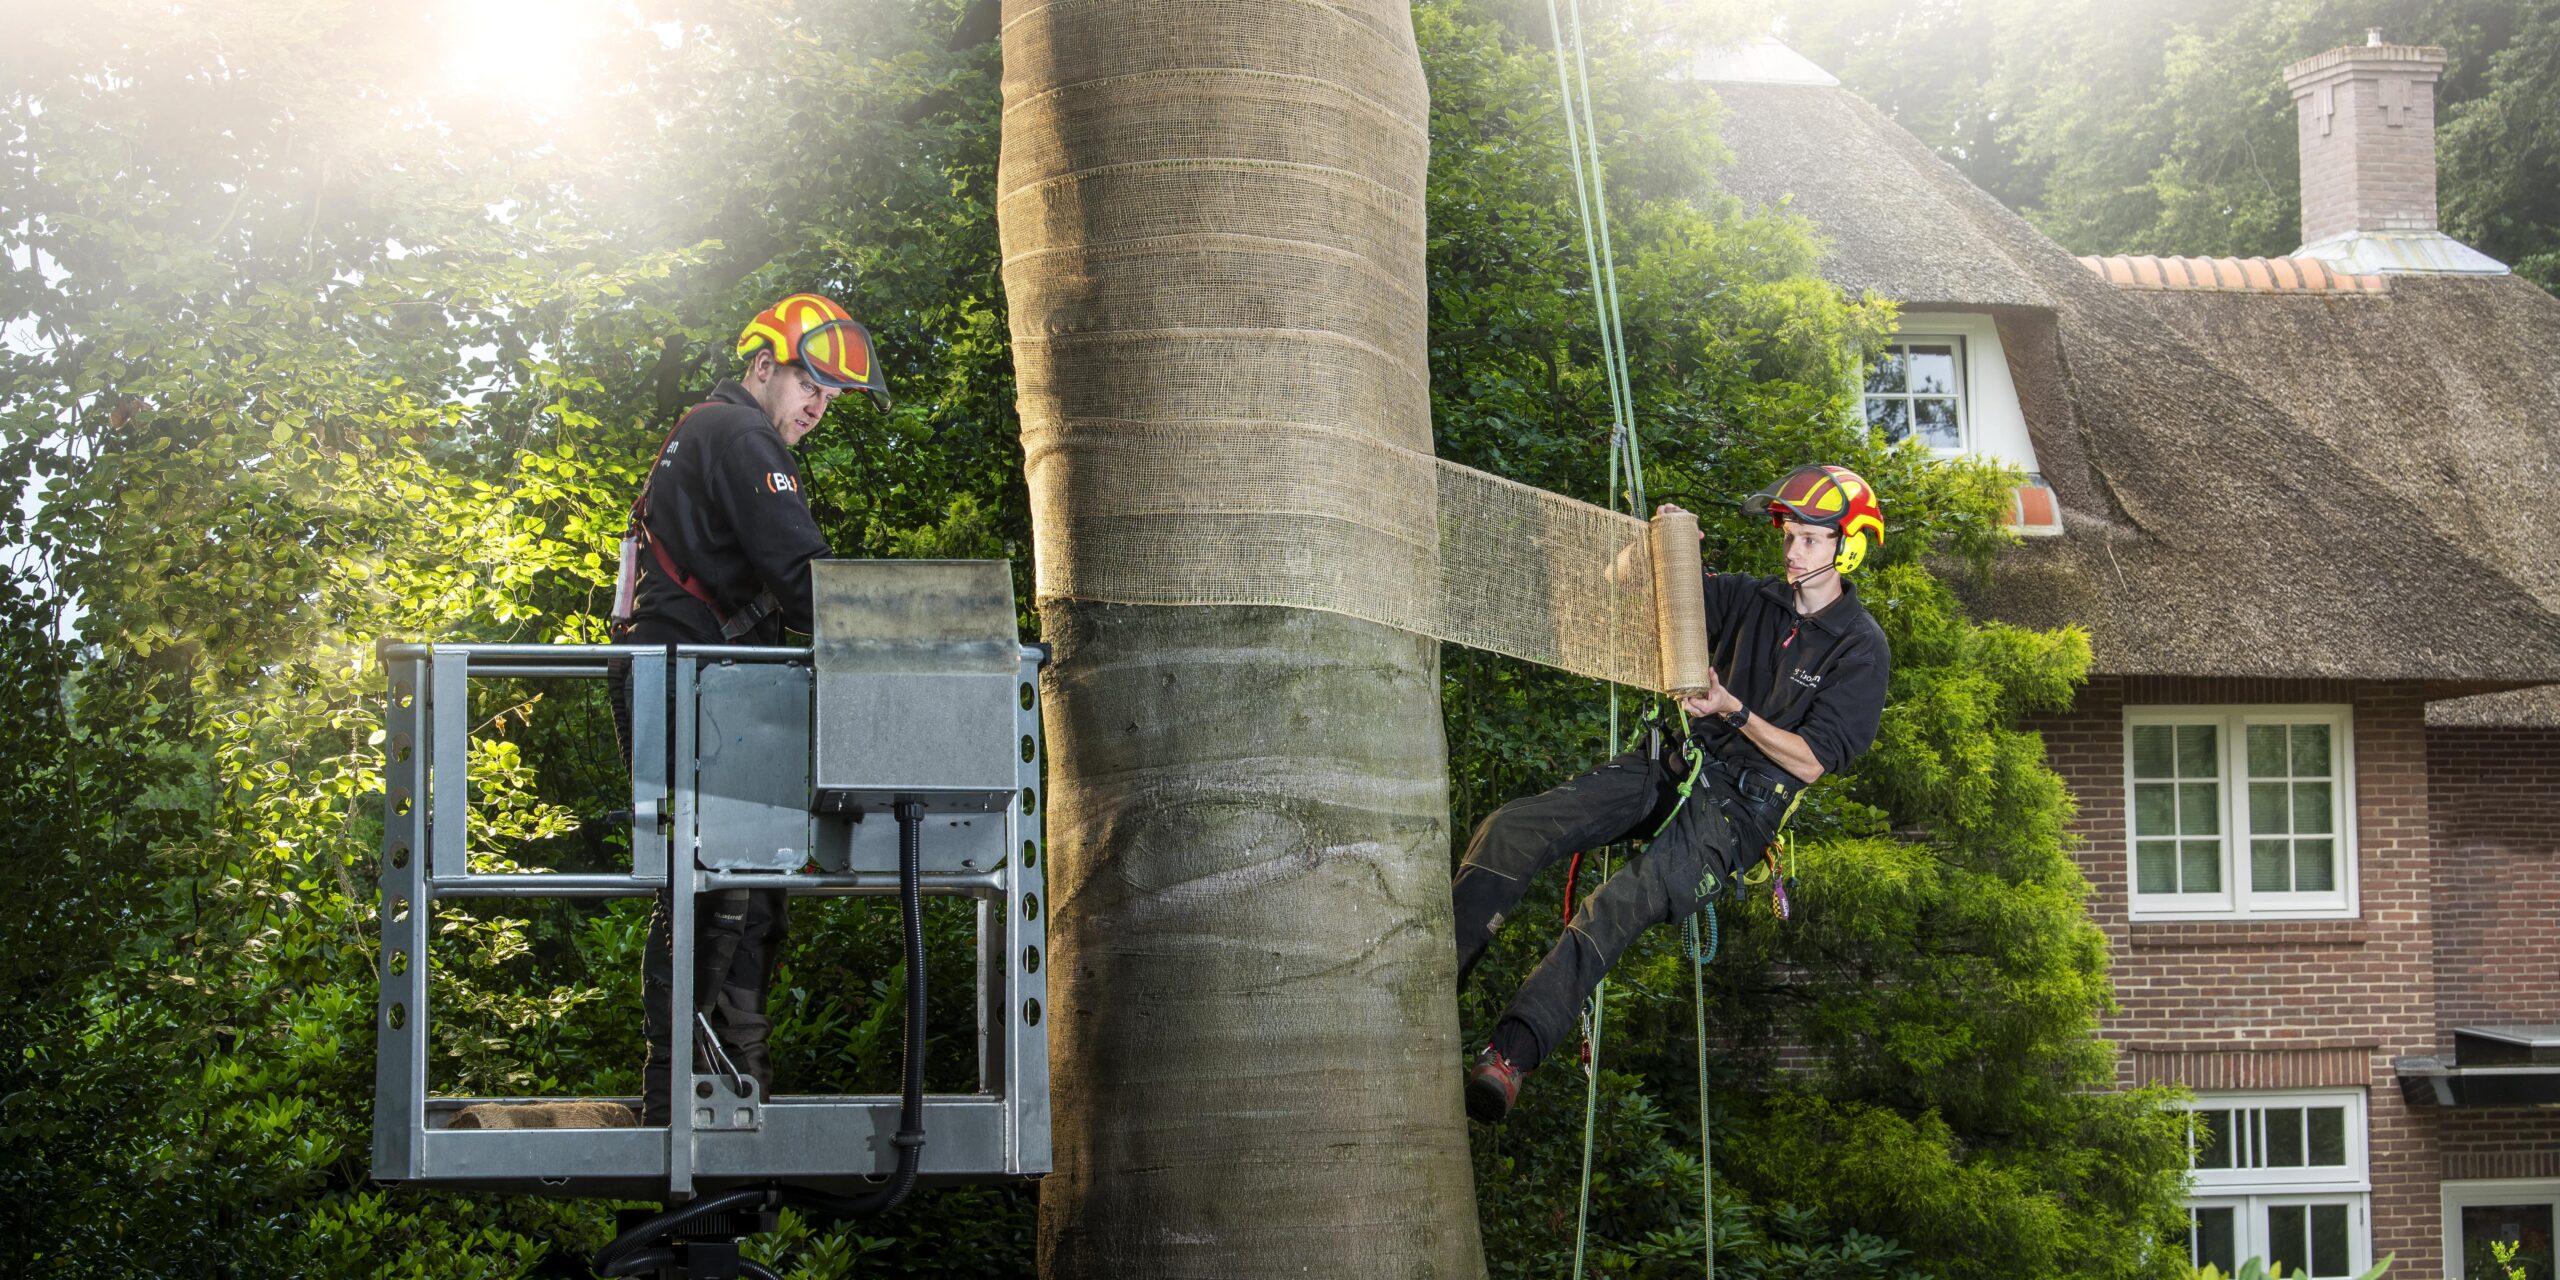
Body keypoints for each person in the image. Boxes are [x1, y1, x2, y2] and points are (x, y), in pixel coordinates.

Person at [1452, 464, 1892, 1123]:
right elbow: (1631, 596)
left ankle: (1509, 1058)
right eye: (1789, 537)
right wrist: (1659, 549)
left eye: (1809, 540)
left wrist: (1734, 711)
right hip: (1673, 762)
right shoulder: (1753, 600)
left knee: (1613, 907)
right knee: (1516, 825)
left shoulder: (1860, 648)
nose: (1793, 553)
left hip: (1738, 812)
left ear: (1847, 545)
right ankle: (1443, 968)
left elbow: (1810, 760)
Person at [608, 291, 892, 1124]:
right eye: (810, 385)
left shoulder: (713, 433)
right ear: (763, 366)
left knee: (738, 885)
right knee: (721, 888)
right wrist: (910, 622)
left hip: (697, 680)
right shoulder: (739, 433)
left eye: (831, 400)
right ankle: (699, 1098)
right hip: (692, 681)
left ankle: (715, 1093)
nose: (817, 408)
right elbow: (804, 580)